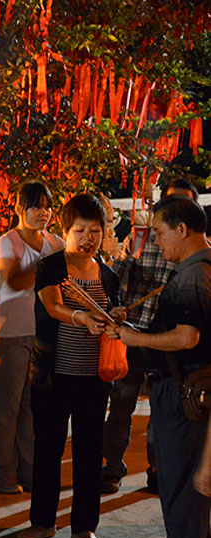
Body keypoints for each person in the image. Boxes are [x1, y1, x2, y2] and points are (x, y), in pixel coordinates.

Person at [110, 195, 211, 538]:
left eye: (159, 233)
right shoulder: (201, 268)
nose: (156, 243)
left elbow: (187, 337)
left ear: (182, 230)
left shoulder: (192, 276)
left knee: (179, 481)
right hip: (195, 391)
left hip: (182, 391)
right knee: (191, 482)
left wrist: (137, 340)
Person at [17, 194, 123, 538]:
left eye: (95, 230)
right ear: (66, 231)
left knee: (90, 452)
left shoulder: (107, 275)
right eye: (80, 230)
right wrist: (82, 317)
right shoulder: (51, 267)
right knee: (47, 448)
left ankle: (84, 529)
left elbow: (113, 314)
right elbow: (52, 305)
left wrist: (116, 320)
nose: (88, 238)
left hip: (94, 378)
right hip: (53, 374)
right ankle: (43, 522)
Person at [100, 183, 185, 495]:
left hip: (167, 341)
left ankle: (156, 470)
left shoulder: (195, 253)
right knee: (122, 402)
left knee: (163, 408)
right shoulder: (143, 237)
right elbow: (115, 276)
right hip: (133, 333)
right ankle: (111, 467)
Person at [0, 181, 64, 494]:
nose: (42, 212)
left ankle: (29, 473)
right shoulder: (7, 243)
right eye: (35, 206)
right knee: (8, 407)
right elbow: (13, 281)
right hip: (9, 334)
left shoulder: (55, 242)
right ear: (19, 209)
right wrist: (49, 265)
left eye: (47, 206)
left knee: (33, 406)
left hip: (40, 334)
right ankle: (3, 474)